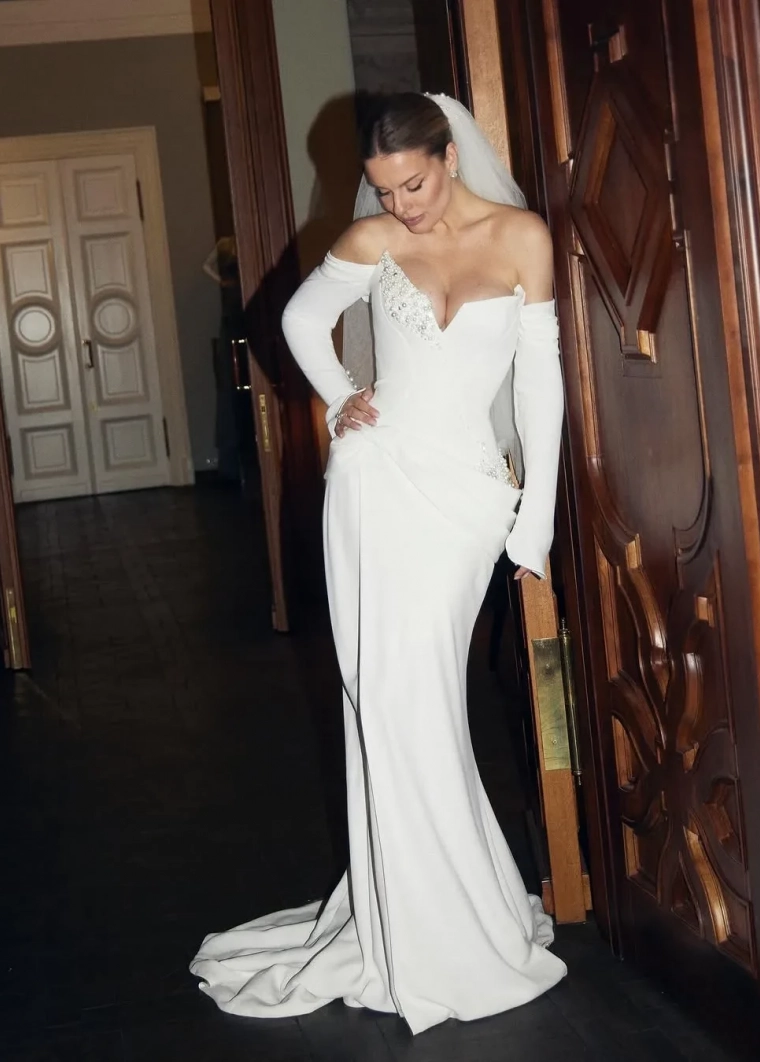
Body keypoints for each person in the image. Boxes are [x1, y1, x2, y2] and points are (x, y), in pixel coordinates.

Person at [190, 92, 568, 1035]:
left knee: (423, 695)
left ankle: (457, 910)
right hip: (375, 482)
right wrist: (341, 398)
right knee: (385, 698)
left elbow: (542, 382)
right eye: (383, 190)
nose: (400, 205)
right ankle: (426, 922)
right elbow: (296, 322)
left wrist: (536, 522)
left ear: (450, 157)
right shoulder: (373, 243)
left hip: (467, 497)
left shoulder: (522, 238)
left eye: (413, 185)